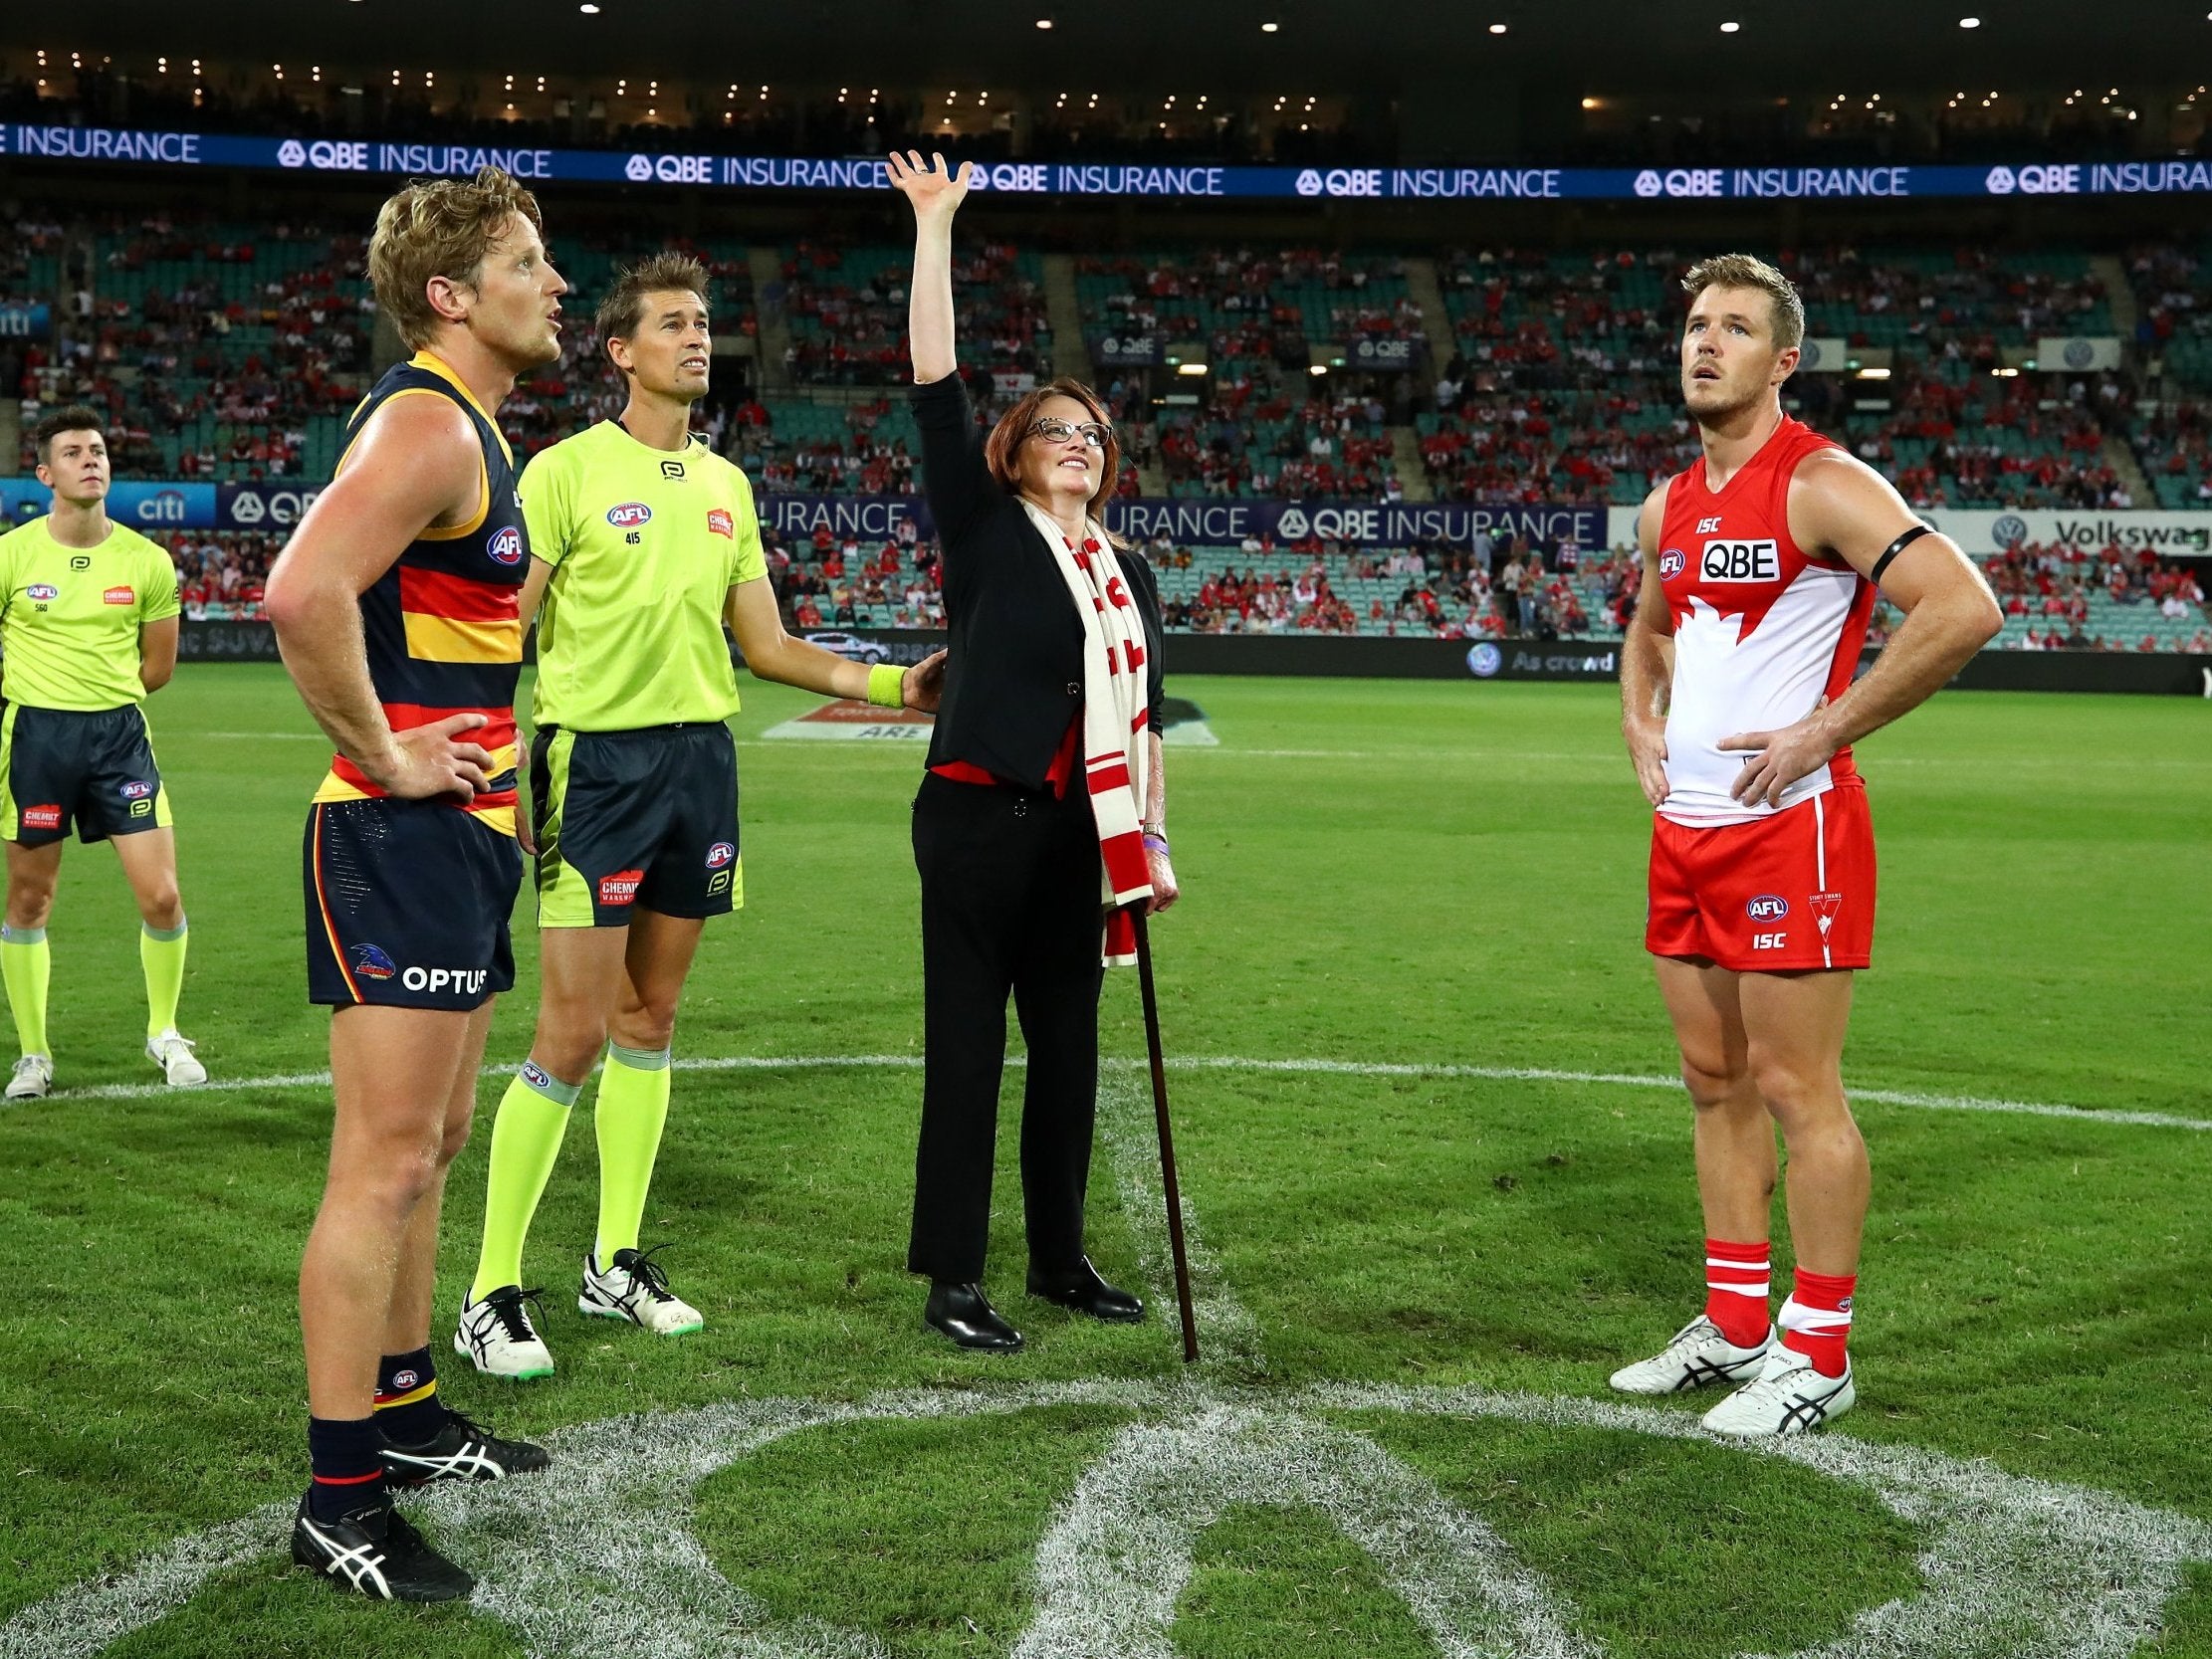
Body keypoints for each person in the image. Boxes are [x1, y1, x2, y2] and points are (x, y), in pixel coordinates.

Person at [453, 252, 944, 1380]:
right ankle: (490, 1288)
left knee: (651, 1016)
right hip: (596, 769)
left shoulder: (726, 485)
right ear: (619, 350)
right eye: (673, 324)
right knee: (569, 1034)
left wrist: (886, 686)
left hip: (698, 766)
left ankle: (613, 1260)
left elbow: (763, 645)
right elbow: (501, 631)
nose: (697, 338)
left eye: (705, 323)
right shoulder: (561, 473)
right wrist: (499, 771)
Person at [1612, 253, 2000, 1435]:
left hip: (1792, 831)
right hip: (1685, 832)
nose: (1704, 343)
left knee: (1794, 1086)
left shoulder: (1821, 481)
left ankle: (1816, 1350)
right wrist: (1636, 719)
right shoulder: (1664, 504)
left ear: (1782, 360)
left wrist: (1823, 730)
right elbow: (1648, 626)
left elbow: (1961, 604)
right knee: (1711, 1080)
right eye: (1693, 324)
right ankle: (1734, 1326)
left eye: (1733, 328)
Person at [265, 167, 559, 1602]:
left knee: (433, 1139)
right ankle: (337, 1498)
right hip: (396, 838)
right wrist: (382, 756)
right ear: (454, 296)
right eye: (526, 260)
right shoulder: (434, 422)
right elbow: (296, 591)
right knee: (382, 1161)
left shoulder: (474, 430)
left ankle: (404, 1408)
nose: (553, 284)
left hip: (466, 836)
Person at [889, 151, 1180, 1354]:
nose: (1075, 441)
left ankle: (1060, 1259)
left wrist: (1148, 835)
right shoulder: (982, 529)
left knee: (1068, 1055)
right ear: (1012, 450)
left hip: (1082, 836)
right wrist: (935, 227)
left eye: (1091, 433)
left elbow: (1151, 720)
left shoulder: (1131, 572)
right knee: (968, 1053)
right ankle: (954, 1277)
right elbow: (933, 379)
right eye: (1051, 429)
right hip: (975, 819)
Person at [0, 406, 204, 1100]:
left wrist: (99, 696)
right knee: (30, 898)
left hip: (119, 738)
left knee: (163, 892)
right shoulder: (12, 553)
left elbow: (159, 667)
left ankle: (165, 1031)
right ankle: (33, 1054)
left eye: (98, 450)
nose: (90, 459)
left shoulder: (148, 560)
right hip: (36, 739)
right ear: (45, 472)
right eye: (73, 452)